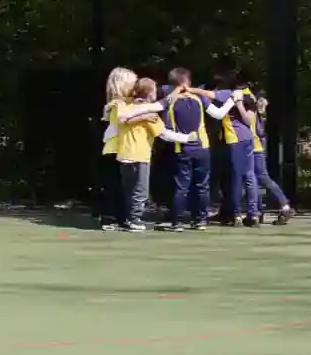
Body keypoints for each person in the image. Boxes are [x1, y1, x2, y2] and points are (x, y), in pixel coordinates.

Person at [112, 77, 200, 232]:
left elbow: (120, 120)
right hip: (140, 155)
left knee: (128, 189)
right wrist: (186, 138)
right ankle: (134, 220)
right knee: (141, 191)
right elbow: (164, 134)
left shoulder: (126, 106)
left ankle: (127, 218)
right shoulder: (149, 112)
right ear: (149, 93)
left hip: (124, 154)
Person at [159, 67, 235, 231]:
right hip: (202, 147)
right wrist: (232, 100)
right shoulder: (199, 97)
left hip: (182, 148)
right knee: (202, 186)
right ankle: (200, 220)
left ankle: (178, 222)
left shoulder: (170, 101)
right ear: (187, 81)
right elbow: (218, 114)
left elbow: (164, 132)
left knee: (182, 186)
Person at [99, 67, 164, 231]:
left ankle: (123, 217)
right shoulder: (118, 104)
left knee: (125, 187)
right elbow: (120, 122)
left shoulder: (126, 104)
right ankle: (111, 217)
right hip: (117, 148)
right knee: (116, 185)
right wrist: (143, 115)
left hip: (123, 148)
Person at [212, 70, 261, 227]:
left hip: (238, 139)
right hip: (244, 139)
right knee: (248, 176)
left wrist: (238, 104)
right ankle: (251, 213)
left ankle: (239, 214)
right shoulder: (237, 95)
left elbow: (249, 120)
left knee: (238, 177)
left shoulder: (242, 97)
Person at [241, 82, 293, 225]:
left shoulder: (253, 107)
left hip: (254, 147)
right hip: (255, 147)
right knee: (255, 180)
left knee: (261, 178)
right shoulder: (258, 108)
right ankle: (258, 211)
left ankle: (284, 205)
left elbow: (258, 130)